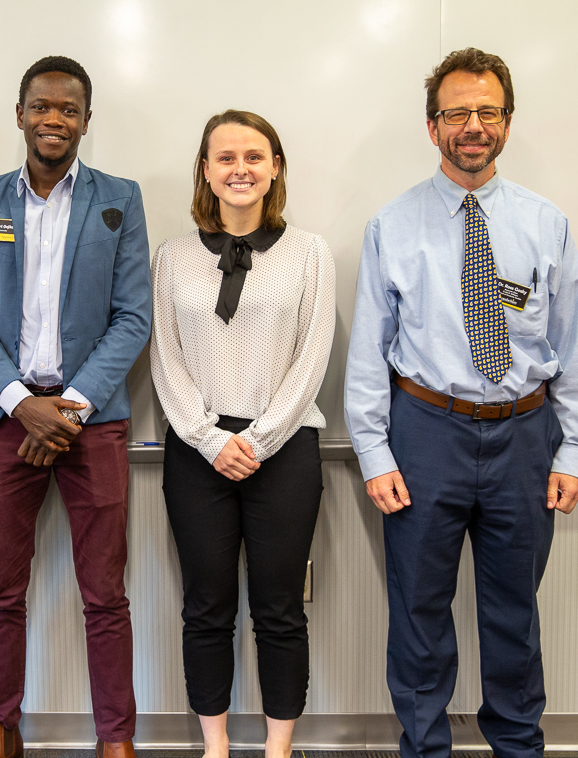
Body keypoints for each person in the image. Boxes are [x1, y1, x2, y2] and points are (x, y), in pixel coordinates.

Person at [344, 48, 578, 758]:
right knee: (420, 617)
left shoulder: (547, 224)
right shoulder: (390, 226)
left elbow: (572, 346)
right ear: (433, 128)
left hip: (525, 436)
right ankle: (424, 749)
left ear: (508, 124)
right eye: (457, 112)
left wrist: (572, 448)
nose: (473, 125)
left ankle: (518, 747)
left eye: (487, 111)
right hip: (424, 434)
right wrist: (373, 453)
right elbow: (369, 351)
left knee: (514, 618)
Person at [0, 55, 151, 758]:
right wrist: (18, 403)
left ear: (86, 120)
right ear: (20, 114)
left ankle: (115, 738)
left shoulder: (120, 198)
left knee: (105, 593)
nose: (54, 119)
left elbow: (132, 318)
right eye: (41, 106)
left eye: (68, 109)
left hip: (91, 422)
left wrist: (66, 408)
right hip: (4, 424)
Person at [150, 110, 335, 758]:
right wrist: (208, 438)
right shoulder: (172, 257)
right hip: (197, 450)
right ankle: (216, 747)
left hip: (283, 451)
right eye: (225, 157)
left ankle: (279, 748)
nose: (240, 169)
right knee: (207, 606)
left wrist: (259, 438)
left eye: (254, 156)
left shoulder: (310, 253)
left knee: (280, 608)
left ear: (275, 166)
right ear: (205, 169)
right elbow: (165, 360)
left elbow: (312, 358)